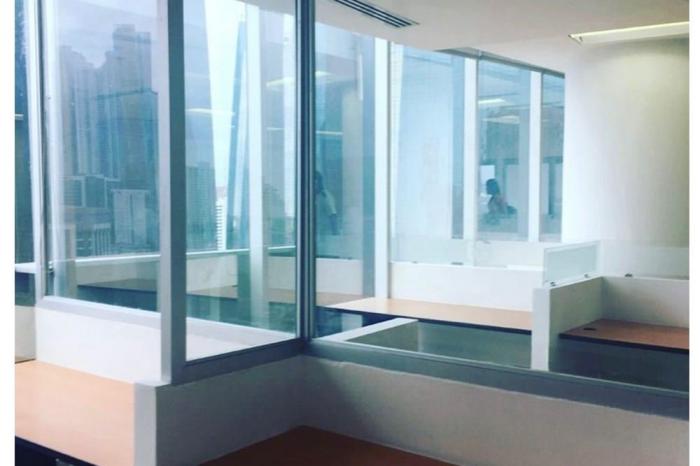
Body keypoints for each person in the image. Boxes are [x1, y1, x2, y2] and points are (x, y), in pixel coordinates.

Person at [315, 171, 339, 235]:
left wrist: (335, 233)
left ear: (319, 182)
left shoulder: (325, 196)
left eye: (316, 182)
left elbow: (332, 215)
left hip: (320, 234)